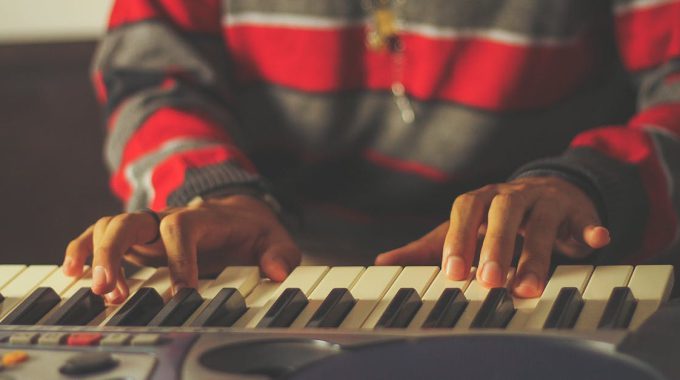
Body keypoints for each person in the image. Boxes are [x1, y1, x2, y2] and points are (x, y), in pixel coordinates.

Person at [62, 0, 680, 304]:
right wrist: (212, 190)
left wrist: (589, 183)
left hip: (561, 271)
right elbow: (150, 77)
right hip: (275, 277)